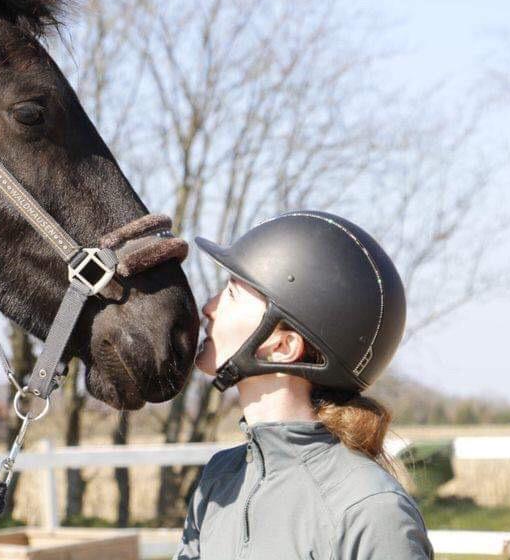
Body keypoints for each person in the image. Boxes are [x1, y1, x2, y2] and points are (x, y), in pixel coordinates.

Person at [174, 210, 433, 560]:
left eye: (232, 294)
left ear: (283, 347)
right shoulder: (220, 479)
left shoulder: (371, 512)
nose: (208, 307)